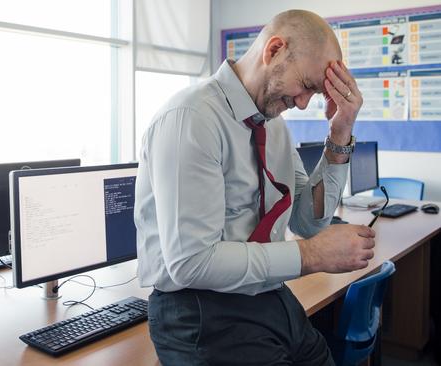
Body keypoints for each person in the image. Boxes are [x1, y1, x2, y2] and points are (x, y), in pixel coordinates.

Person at [134, 9, 375, 365]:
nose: (303, 103)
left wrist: (340, 133)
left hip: (268, 294)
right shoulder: (191, 119)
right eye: (306, 86)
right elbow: (191, 263)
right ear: (274, 50)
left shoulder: (273, 125)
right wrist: (311, 255)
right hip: (199, 308)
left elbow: (307, 221)